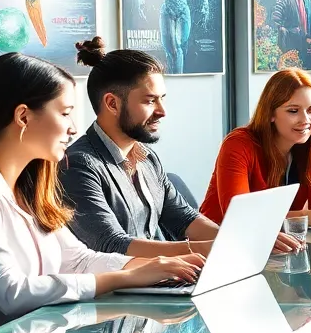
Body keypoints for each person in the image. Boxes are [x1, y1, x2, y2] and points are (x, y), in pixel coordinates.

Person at [0, 53, 204, 333]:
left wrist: (150, 266)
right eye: (64, 113)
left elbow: (77, 259)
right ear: (23, 116)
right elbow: (13, 293)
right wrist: (127, 277)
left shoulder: (28, 185)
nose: (74, 128)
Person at [60, 38, 298, 257]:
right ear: (112, 103)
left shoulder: (147, 158)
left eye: (162, 98)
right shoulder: (78, 164)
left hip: (158, 282)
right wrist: (220, 247)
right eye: (150, 100)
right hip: (113, 296)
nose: (162, 111)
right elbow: (112, 245)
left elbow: (184, 219)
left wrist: (244, 239)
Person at [201, 69, 311, 226]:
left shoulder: (309, 146)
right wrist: (306, 217)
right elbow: (237, 214)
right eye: (293, 111)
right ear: (270, 113)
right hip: (213, 244)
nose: (305, 120)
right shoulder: (238, 144)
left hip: (278, 246)